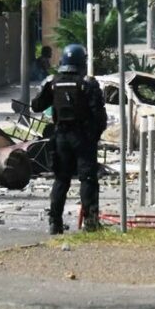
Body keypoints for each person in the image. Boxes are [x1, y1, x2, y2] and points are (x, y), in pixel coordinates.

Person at [31, 43, 107, 235]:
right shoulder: (88, 84)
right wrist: (93, 137)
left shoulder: (53, 82)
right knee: (87, 179)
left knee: (61, 180)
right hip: (82, 137)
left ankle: (55, 222)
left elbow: (37, 106)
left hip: (61, 138)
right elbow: (99, 116)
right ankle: (91, 222)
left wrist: (46, 88)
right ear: (82, 61)